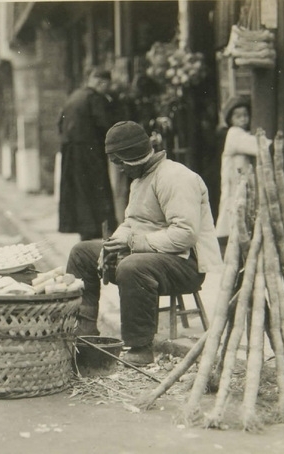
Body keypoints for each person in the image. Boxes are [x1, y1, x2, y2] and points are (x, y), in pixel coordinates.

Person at [66, 121, 223, 366]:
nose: (118, 169)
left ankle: (140, 348)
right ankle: (83, 334)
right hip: (151, 257)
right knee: (81, 253)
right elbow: (131, 222)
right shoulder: (140, 179)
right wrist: (112, 245)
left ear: (130, 158)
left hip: (185, 264)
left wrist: (132, 243)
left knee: (132, 266)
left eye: (119, 162)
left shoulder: (176, 177)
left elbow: (185, 235)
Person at [58, 68, 118, 241]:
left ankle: (85, 231)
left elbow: (60, 125)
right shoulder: (94, 98)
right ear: (101, 83)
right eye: (107, 86)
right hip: (89, 152)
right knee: (95, 190)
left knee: (79, 193)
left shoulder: (74, 96)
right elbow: (105, 124)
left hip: (71, 152)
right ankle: (96, 230)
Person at [215, 96, 259, 256]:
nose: (243, 119)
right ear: (231, 120)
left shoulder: (241, 133)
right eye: (238, 116)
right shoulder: (235, 134)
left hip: (238, 180)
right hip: (233, 180)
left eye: (245, 115)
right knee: (231, 210)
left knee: (235, 210)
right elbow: (256, 145)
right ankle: (226, 249)